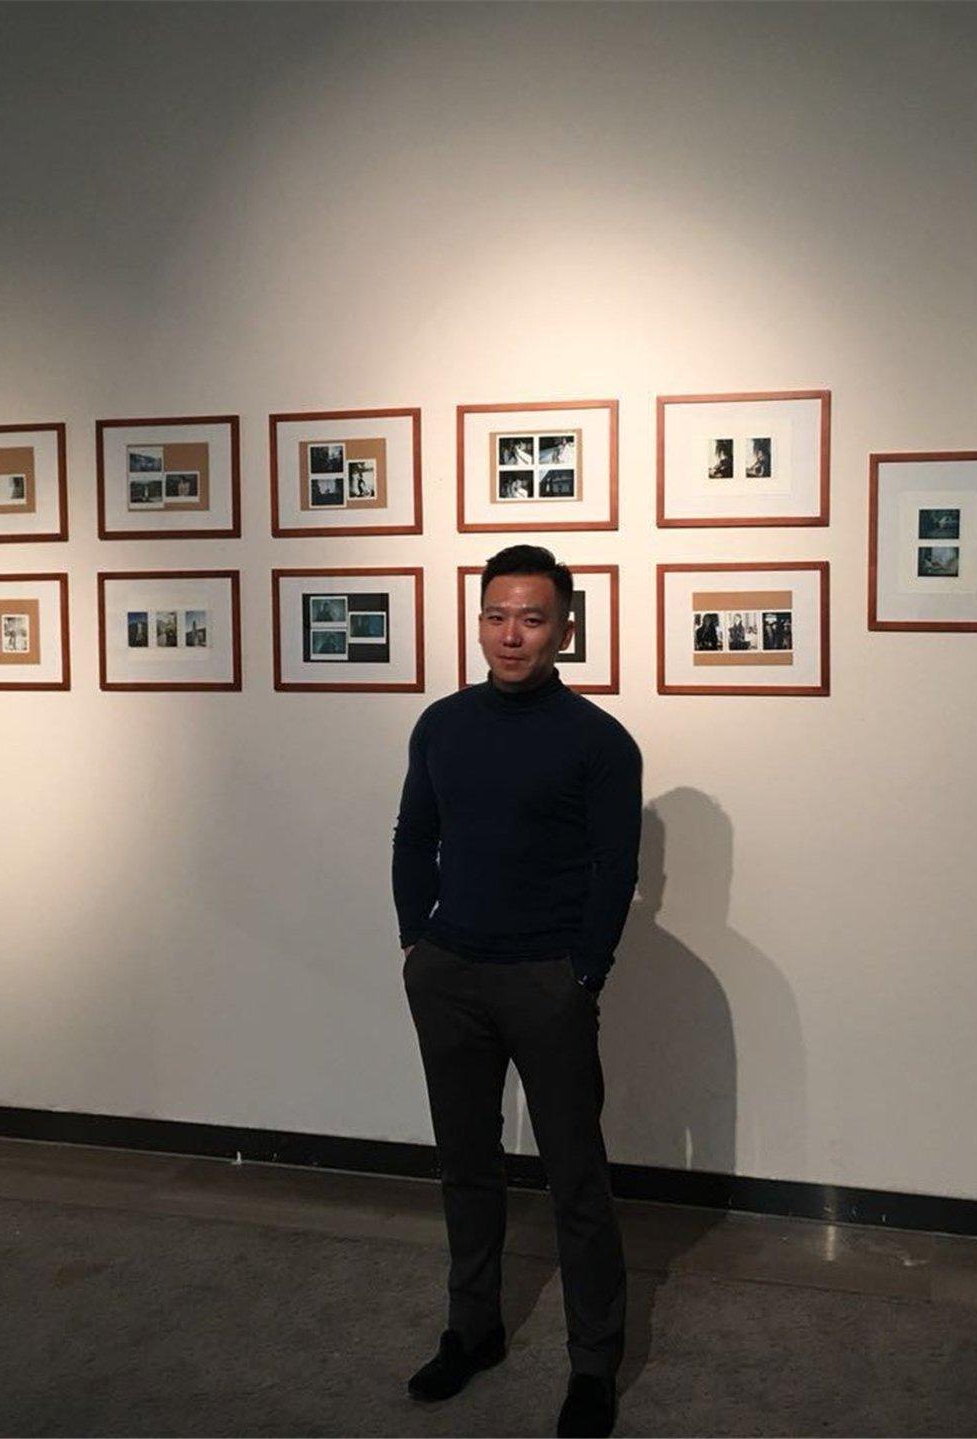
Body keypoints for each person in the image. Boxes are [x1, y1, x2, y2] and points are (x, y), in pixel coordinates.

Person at [393, 544, 641, 1439]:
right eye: (497, 615)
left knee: (575, 1176)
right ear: (479, 621)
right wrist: (416, 941)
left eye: (532, 618)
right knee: (466, 1163)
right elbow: (413, 835)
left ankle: (594, 1363)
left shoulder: (599, 741)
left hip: (546, 980)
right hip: (450, 973)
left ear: (564, 629)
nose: (511, 634)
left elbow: (616, 869)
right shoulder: (442, 724)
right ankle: (474, 1328)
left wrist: (584, 973)